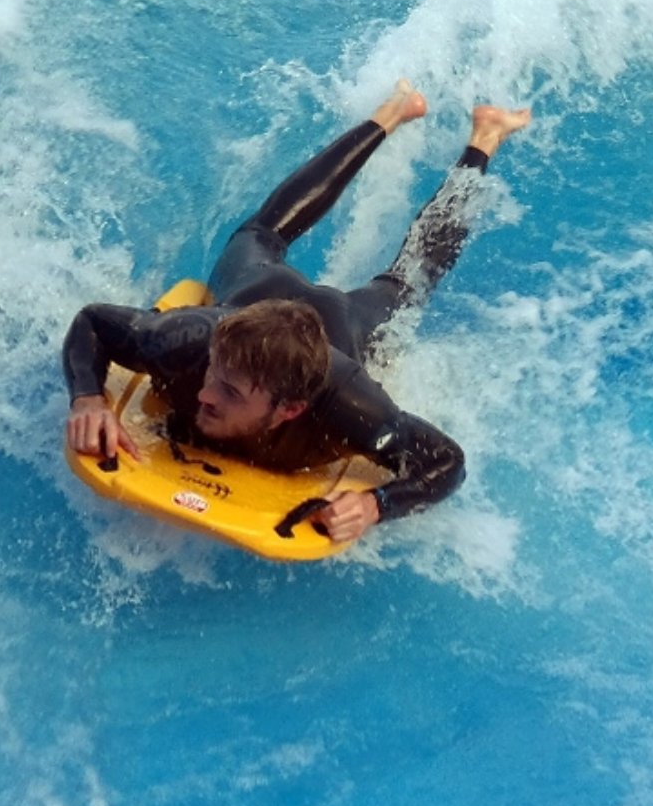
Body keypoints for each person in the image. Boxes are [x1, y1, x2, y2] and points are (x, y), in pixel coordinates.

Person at [63, 80, 532, 543]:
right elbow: (93, 322)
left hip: (343, 320)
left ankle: (486, 137)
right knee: (261, 233)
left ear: (289, 410)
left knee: (409, 283)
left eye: (230, 391)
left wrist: (375, 505)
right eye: (214, 375)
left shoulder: (350, 407)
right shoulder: (189, 341)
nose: (206, 394)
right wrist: (88, 399)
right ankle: (391, 112)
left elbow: (447, 463)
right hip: (257, 290)